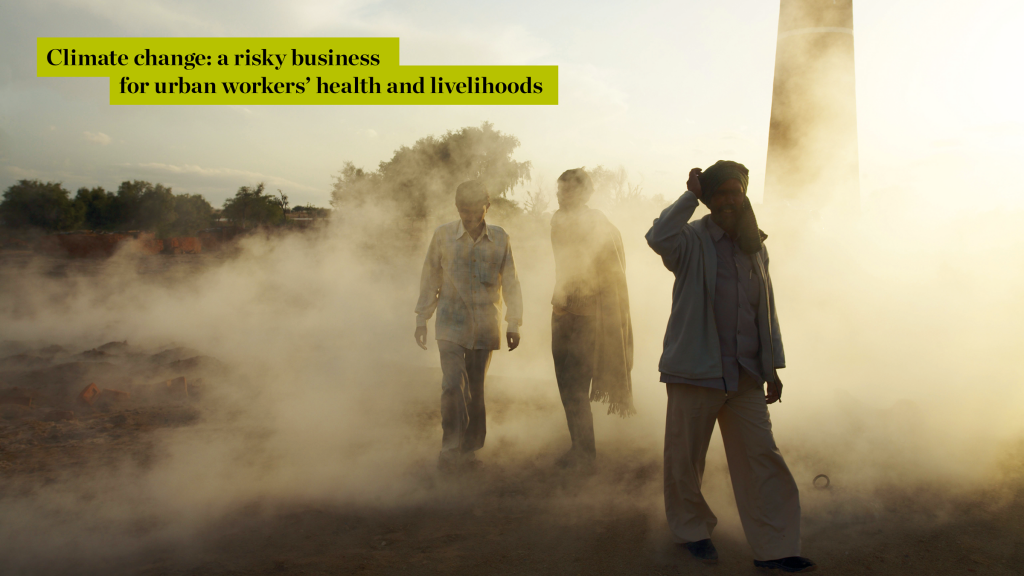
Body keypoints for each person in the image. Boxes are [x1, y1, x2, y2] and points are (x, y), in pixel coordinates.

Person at [645, 161, 816, 573]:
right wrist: (690, 194)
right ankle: (693, 533)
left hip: (744, 376)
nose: (727, 201)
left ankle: (776, 546)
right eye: (719, 193)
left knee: (762, 457)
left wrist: (772, 366)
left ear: (743, 196)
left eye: (734, 193)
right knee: (685, 461)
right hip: (695, 371)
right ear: (708, 198)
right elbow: (657, 236)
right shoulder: (689, 240)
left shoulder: (753, 244)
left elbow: (765, 310)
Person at [415, 179, 523, 471]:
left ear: (487, 207)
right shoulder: (443, 235)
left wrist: (513, 322)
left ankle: (470, 449)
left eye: (477, 210)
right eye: (464, 210)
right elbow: (430, 277)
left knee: (475, 390)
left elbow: (511, 282)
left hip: (485, 325)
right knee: (452, 385)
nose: (470, 216)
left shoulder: (501, 238)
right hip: (450, 322)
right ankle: (450, 449)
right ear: (456, 207)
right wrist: (421, 318)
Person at [549, 168, 634, 469]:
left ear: (586, 194)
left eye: (568, 190)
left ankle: (585, 453)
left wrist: (608, 313)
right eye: (560, 190)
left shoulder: (599, 224)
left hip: (589, 317)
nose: (561, 196)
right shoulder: (557, 220)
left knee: (576, 385)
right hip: (561, 311)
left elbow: (613, 274)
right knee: (565, 384)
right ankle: (579, 447)